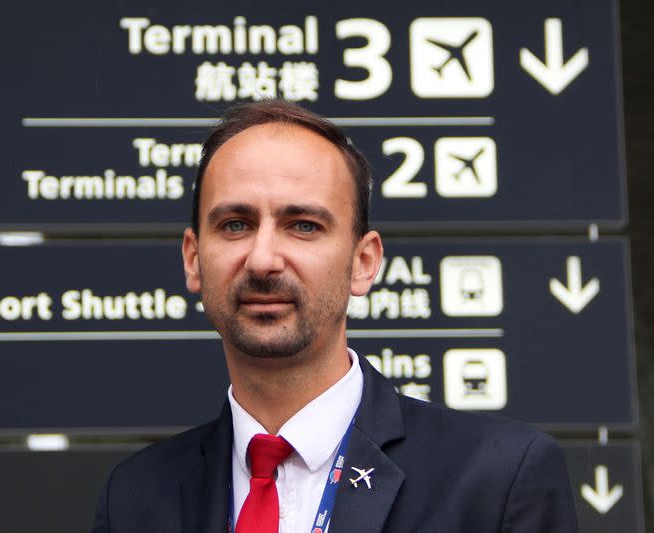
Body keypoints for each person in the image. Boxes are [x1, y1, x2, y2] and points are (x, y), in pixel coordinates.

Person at [92, 100, 579, 533]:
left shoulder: (497, 479)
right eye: (235, 224)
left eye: (303, 226)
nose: (263, 258)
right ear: (194, 259)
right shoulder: (135, 498)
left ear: (363, 263)